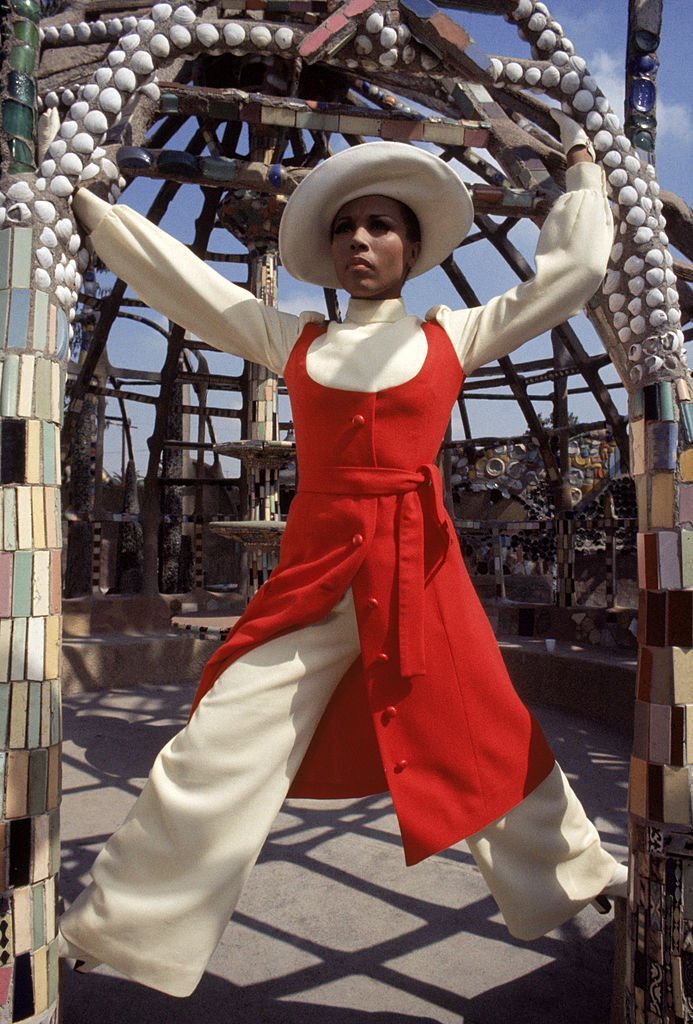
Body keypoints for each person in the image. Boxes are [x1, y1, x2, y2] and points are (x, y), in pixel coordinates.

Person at [59, 114, 627, 998]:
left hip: (419, 574)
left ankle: (587, 877)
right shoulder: (296, 341)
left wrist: (583, 178)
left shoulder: (455, 336)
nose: (361, 240)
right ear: (328, 252)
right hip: (314, 574)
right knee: (218, 745)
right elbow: (188, 286)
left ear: (410, 246)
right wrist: (95, 212)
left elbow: (573, 274)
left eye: (381, 225)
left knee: (484, 731)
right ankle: (119, 927)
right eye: (344, 228)